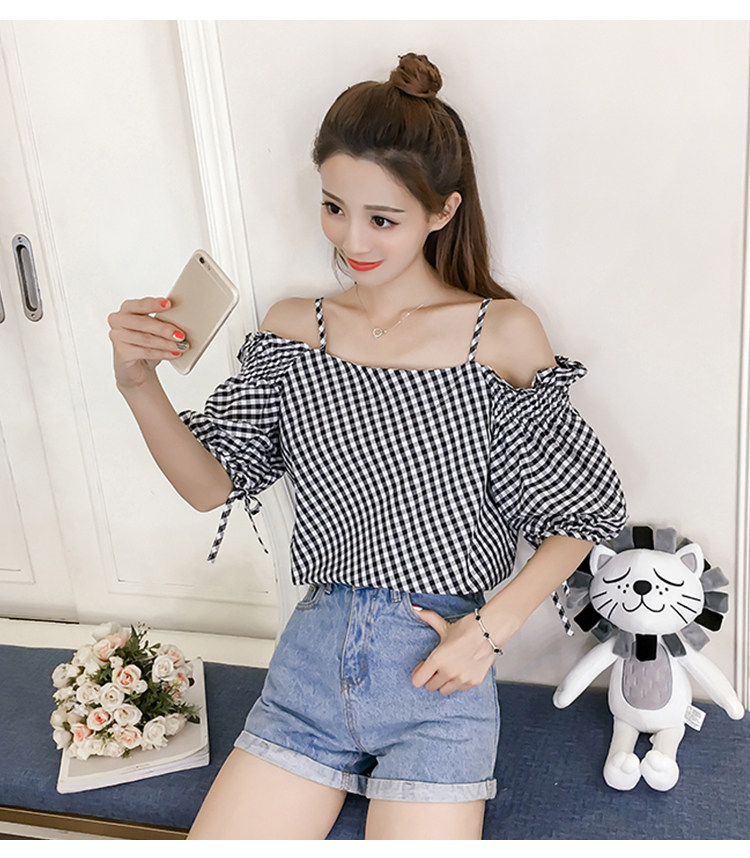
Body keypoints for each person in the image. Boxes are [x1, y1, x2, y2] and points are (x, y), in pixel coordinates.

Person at [107, 52, 628, 840]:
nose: (351, 239)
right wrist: (137, 383)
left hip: (437, 679)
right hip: (309, 668)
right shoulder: (294, 329)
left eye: (382, 219)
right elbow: (210, 486)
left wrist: (488, 632)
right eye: (333, 207)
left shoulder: (500, 334)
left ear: (443, 211)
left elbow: (582, 515)